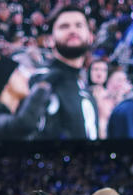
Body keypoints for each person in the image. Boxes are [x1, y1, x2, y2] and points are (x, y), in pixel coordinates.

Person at [31, 7, 100, 140]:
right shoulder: (39, 80)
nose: (73, 31)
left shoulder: (84, 87)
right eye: (64, 26)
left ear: (90, 37)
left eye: (79, 25)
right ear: (49, 40)